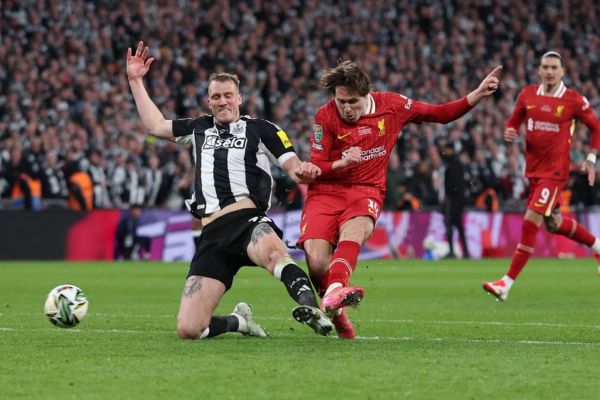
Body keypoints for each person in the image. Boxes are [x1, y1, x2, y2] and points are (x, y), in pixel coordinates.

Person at [126, 41, 332, 339]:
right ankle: (239, 322)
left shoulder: (262, 129)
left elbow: (293, 166)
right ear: (208, 102)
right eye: (215, 97)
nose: (222, 102)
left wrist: (305, 170)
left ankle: (312, 309)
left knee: (276, 255)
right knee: (189, 329)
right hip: (212, 234)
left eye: (227, 96)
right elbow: (155, 125)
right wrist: (135, 80)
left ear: (240, 98)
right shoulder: (198, 128)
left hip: (247, 221)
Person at [298, 60, 501, 338]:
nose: (346, 108)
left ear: (367, 93)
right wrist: (340, 163)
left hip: (366, 189)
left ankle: (335, 291)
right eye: (341, 101)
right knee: (317, 264)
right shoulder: (325, 115)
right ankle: (338, 311)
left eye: (353, 102)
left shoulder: (392, 106)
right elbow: (317, 164)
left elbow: (438, 113)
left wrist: (475, 95)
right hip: (326, 192)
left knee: (353, 233)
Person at [482, 51, 600, 301]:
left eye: (554, 67)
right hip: (534, 172)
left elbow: (596, 127)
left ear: (562, 71)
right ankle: (597, 245)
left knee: (530, 221)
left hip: (555, 173)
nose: (549, 71)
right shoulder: (527, 94)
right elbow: (513, 121)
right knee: (554, 223)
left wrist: (591, 158)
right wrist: (510, 130)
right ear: (539, 70)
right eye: (545, 67)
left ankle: (506, 283)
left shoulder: (573, 100)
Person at [441, 142, 470, 259]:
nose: (445, 152)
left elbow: (453, 184)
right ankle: (464, 252)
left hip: (453, 201)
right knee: (458, 227)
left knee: (451, 226)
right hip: (457, 201)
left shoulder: (453, 164)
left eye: (447, 149)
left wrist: (449, 196)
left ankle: (453, 251)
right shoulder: (455, 163)